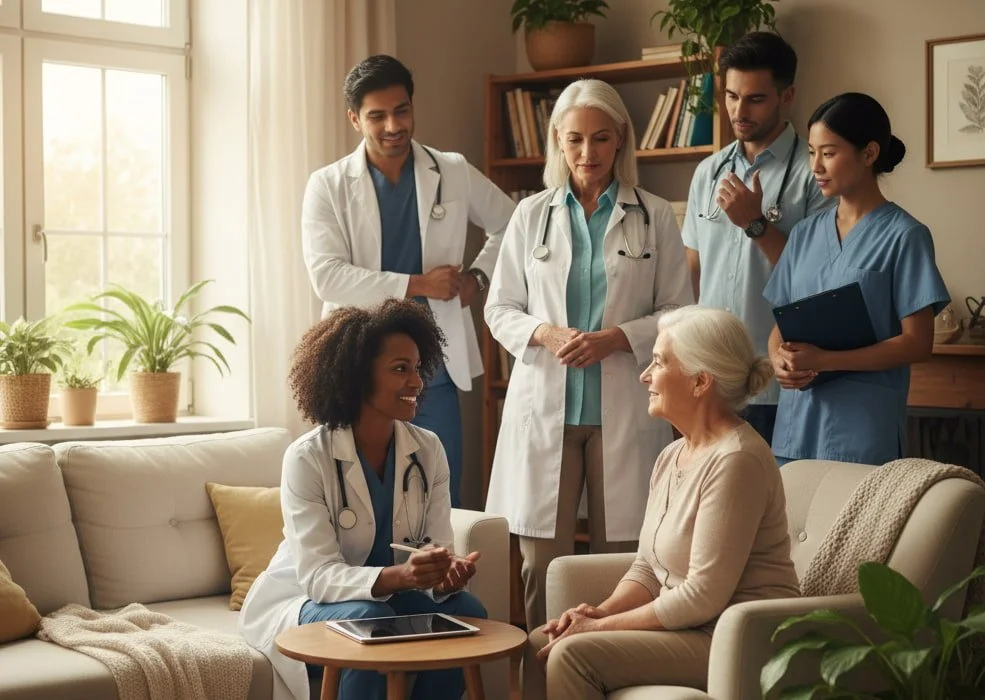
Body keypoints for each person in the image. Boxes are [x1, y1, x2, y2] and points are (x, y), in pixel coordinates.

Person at [484, 78, 694, 631]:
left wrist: (616, 338)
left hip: (623, 407)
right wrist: (548, 334)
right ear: (557, 140)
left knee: (620, 563)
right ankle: (538, 684)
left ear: (621, 139)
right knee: (541, 568)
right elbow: (499, 308)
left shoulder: (655, 215)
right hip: (545, 411)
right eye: (574, 140)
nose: (587, 154)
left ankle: (600, 670)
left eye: (601, 139)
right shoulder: (530, 214)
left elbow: (679, 310)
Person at [523, 306, 800, 699]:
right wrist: (599, 612)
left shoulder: (738, 459)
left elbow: (702, 596)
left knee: (571, 653)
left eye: (657, 363)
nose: (645, 376)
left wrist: (598, 630)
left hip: (734, 637)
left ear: (700, 381)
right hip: (692, 627)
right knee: (540, 642)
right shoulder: (672, 455)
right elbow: (649, 568)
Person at [238, 299, 487, 700]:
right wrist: (400, 577)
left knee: (466, 611)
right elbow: (318, 576)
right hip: (305, 601)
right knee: (369, 620)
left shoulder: (428, 450)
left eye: (418, 368)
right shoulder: (308, 458)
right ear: (357, 375)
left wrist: (443, 574)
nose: (418, 382)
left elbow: (436, 548)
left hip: (386, 599)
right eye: (400, 369)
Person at [301, 54, 516, 507]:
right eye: (377, 116)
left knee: (439, 495)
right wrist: (417, 285)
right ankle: (371, 581)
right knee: (356, 498)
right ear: (355, 119)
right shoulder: (328, 185)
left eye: (402, 111)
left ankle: (439, 581)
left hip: (431, 367)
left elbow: (514, 224)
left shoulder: (451, 171)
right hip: (358, 364)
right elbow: (327, 277)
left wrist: (478, 277)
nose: (393, 126)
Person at [763, 93, 950, 466]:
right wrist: (777, 360)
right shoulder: (803, 234)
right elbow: (780, 326)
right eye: (811, 152)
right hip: (795, 429)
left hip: (862, 433)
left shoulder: (905, 235)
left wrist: (826, 360)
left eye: (828, 153)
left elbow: (918, 344)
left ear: (869, 153)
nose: (816, 166)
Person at [681, 31, 833, 445]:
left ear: (787, 96)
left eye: (755, 99)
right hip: (708, 381)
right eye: (731, 96)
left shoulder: (815, 173)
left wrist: (756, 225)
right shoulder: (707, 172)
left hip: (775, 385)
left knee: (775, 507)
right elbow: (692, 273)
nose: (739, 110)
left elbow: (820, 280)